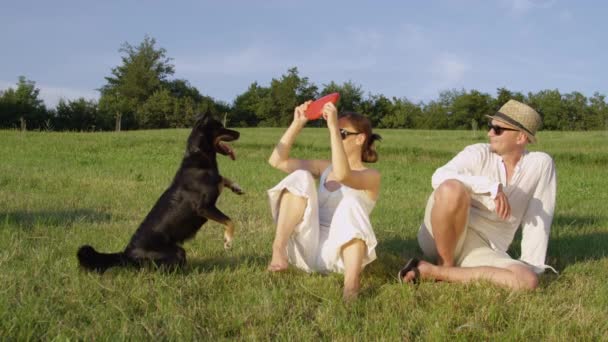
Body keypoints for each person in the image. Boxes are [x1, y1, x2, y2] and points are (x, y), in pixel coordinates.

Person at [399, 99, 557, 290]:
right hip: (441, 232)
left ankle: (431, 272)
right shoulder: (478, 153)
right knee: (451, 188)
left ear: (521, 137)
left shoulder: (540, 164)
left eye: (498, 129)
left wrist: (532, 265)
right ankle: (445, 264)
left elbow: (540, 218)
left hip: (482, 247)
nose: (489, 133)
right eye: (490, 126)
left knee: (527, 281)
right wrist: (490, 186)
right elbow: (439, 176)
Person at [266, 100, 382, 300]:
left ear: (360, 139)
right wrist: (297, 123)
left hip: (338, 256)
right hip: (305, 247)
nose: (336, 136)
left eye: (342, 133)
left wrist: (332, 128)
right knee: (300, 177)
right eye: (336, 132)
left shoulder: (371, 176)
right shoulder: (324, 167)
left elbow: (344, 175)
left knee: (351, 203)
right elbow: (277, 161)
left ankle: (351, 286)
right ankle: (278, 250)